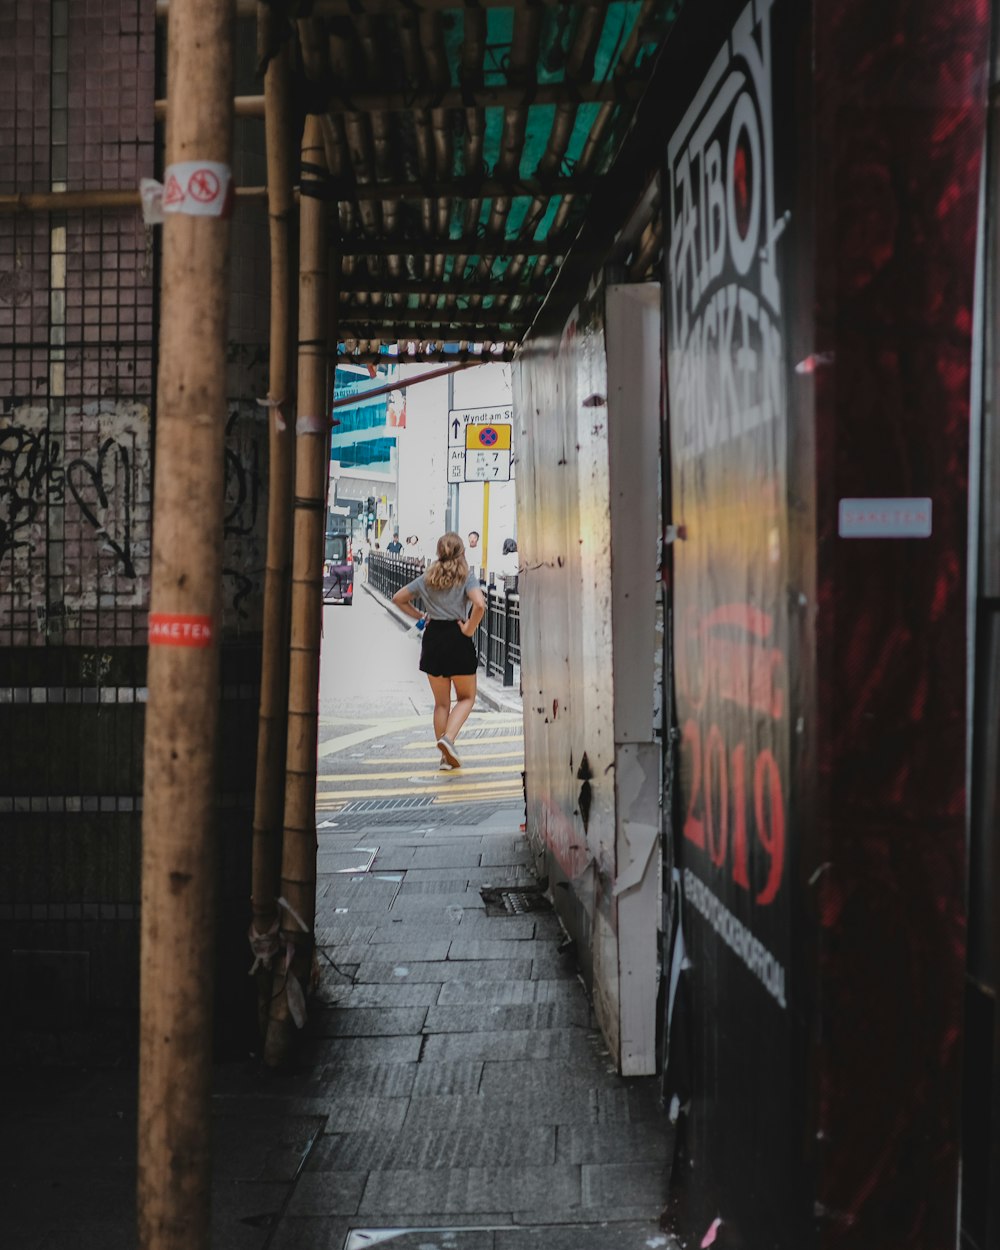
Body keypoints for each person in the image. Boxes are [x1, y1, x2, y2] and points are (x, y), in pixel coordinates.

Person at [393, 531, 486, 769]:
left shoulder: (427, 578)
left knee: (441, 704)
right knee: (466, 698)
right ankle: (448, 739)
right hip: (457, 638)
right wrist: (469, 628)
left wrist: (421, 616)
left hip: (433, 640)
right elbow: (479, 604)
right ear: (461, 553)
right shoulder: (467, 578)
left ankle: (445, 758)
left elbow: (398, 598)